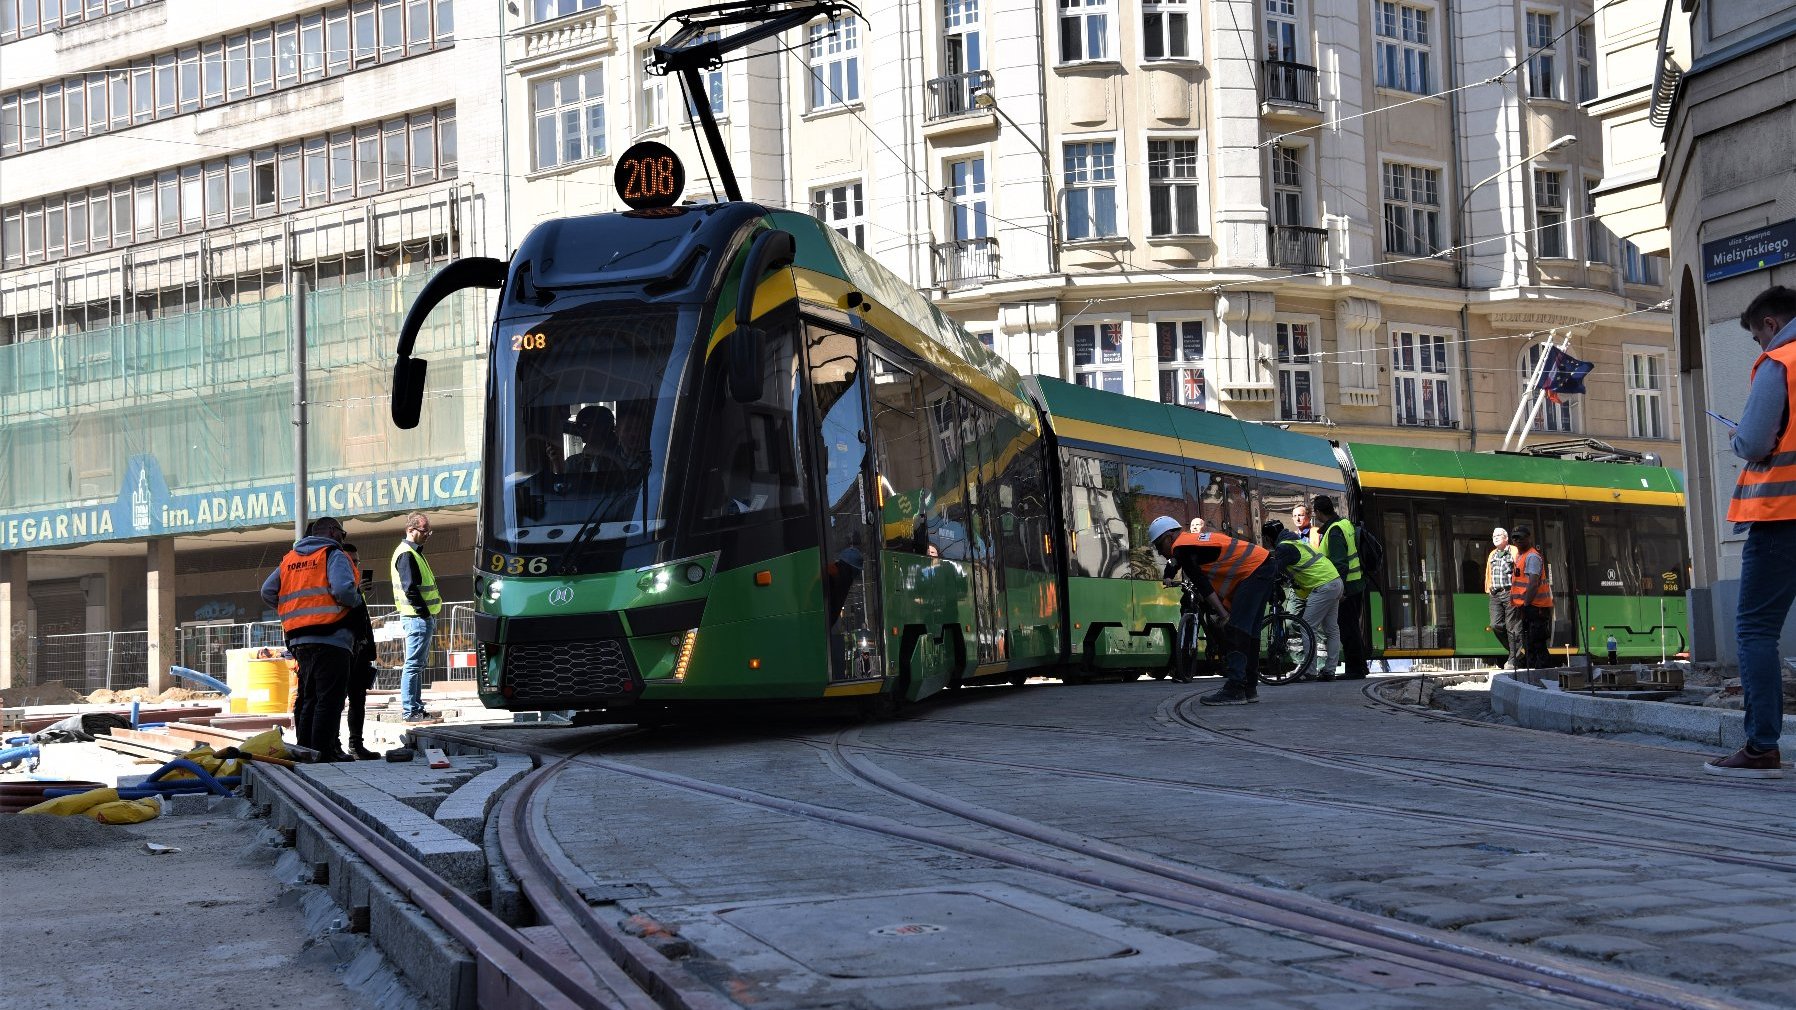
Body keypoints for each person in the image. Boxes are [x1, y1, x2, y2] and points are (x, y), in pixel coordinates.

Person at [1707, 284, 1796, 777]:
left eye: (1759, 339)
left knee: (1757, 630)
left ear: (1769, 324)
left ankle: (1762, 746)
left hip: (1784, 518)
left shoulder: (1780, 361)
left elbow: (1758, 440)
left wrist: (1739, 439)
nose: (1760, 349)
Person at [1149, 515, 1282, 705]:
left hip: (1254, 570)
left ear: (1169, 537)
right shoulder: (1191, 542)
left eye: (1158, 545)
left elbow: (1202, 584)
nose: (1159, 552)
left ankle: (1236, 688)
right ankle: (1249, 688)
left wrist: (1223, 614)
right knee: (1249, 632)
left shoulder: (1181, 547)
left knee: (1236, 629)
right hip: (1262, 566)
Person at [261, 516, 361, 761]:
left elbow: (267, 591)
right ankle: (323, 752)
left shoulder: (290, 559)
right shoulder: (332, 555)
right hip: (331, 636)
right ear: (331, 531)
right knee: (329, 698)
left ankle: (306, 749)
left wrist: (293, 610)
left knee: (309, 697)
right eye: (341, 533)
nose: (342, 538)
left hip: (299, 639)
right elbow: (343, 591)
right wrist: (355, 601)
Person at [1261, 520, 1343, 680]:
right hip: (1335, 581)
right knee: (1332, 629)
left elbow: (1273, 571)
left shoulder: (1284, 547)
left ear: (1268, 538)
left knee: (1307, 627)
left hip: (1323, 585)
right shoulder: (1295, 541)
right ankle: (1329, 671)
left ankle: (1310, 671)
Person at [391, 512, 441, 724]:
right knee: (413, 665)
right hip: (416, 618)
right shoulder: (407, 554)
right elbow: (410, 588)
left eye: (429, 531)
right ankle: (411, 710)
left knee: (416, 665)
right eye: (424, 531)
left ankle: (416, 708)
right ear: (410, 530)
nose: (427, 535)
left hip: (418, 617)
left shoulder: (413, 552)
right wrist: (425, 613)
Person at [1312, 495, 1369, 679]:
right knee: (1352, 627)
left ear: (1319, 512)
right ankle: (1360, 667)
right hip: (1356, 583)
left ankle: (1355, 670)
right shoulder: (1344, 524)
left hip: (1348, 587)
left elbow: (1341, 563)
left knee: (1348, 629)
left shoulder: (1334, 531)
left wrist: (1341, 590)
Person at [339, 543, 381, 760]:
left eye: (357, 562)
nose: (355, 566)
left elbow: (362, 619)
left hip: (360, 650)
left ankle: (356, 745)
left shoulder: (354, 586)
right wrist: (356, 592)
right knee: (337, 699)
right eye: (351, 562)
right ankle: (333, 743)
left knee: (358, 698)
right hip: (344, 649)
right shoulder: (341, 585)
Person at [1507, 526, 1552, 669]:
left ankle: (1541, 671)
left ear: (1528, 538)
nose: (1517, 540)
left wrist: (1526, 604)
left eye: (1520, 537)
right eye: (1514, 537)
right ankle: (1532, 669)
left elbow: (1533, 583)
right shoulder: (1520, 556)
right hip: (1527, 605)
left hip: (1535, 606)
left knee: (1537, 641)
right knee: (1530, 642)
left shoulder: (1532, 556)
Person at [1485, 527, 1520, 667]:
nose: (1495, 537)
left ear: (1506, 538)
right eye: (1493, 535)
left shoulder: (1514, 551)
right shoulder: (1492, 554)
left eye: (1499, 535)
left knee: (1512, 627)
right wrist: (1489, 589)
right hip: (1495, 594)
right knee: (1496, 625)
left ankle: (1513, 659)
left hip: (1510, 592)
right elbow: (1489, 573)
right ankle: (1515, 651)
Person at [563, 405, 624, 473]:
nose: (579, 429)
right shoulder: (572, 463)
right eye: (577, 425)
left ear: (602, 427)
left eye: (584, 425)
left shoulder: (622, 458)